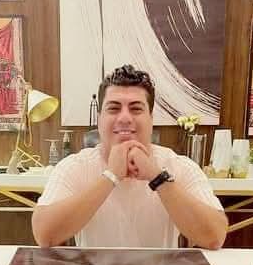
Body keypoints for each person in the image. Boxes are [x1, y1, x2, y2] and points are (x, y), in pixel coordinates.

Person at [31, 65, 228, 249]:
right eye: (113, 108)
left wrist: (157, 177)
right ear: (99, 119)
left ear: (151, 119)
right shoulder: (74, 166)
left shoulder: (179, 166)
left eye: (136, 109)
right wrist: (110, 176)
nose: (125, 118)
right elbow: (44, 235)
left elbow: (214, 237)